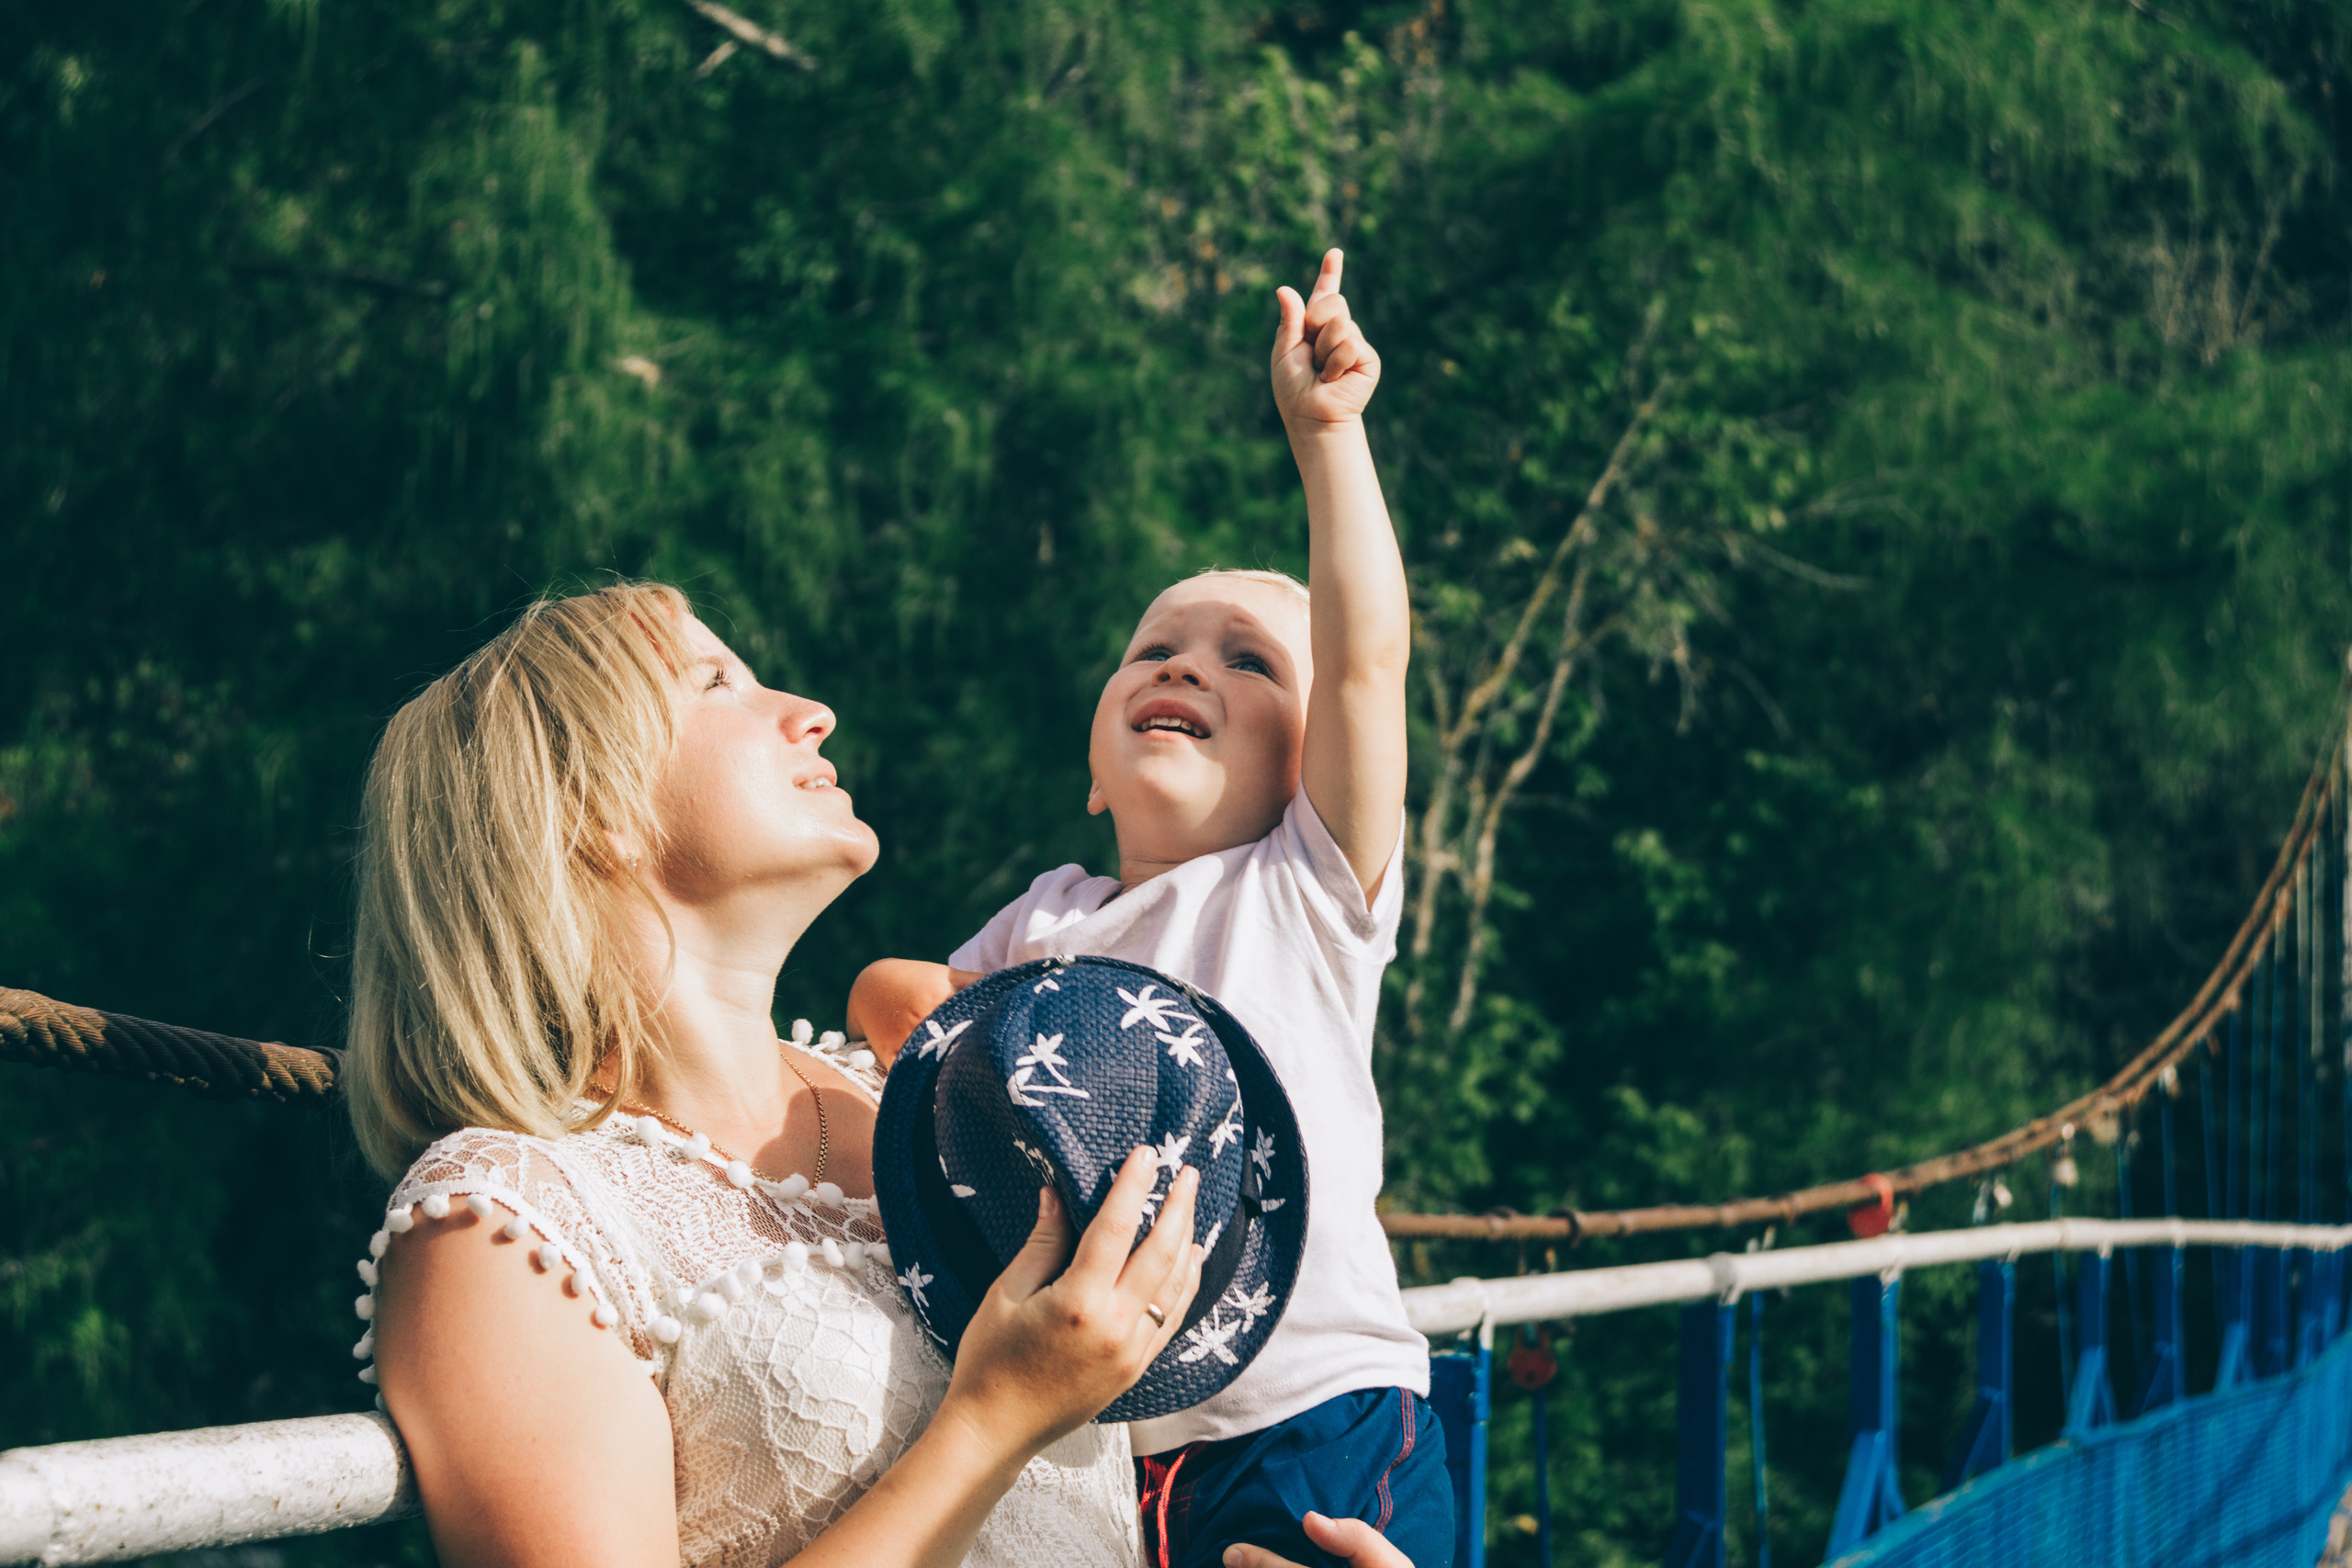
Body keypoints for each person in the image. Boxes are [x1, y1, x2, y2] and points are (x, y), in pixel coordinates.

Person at [342, 582, 1212, 1568]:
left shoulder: (932, 1100)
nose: (811, 712)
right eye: (716, 682)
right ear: (591, 810)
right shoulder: (501, 1230)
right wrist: (995, 1422)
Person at [847, 251, 1447, 1568]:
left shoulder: (1303, 887)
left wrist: (1329, 437)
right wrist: (900, 1014)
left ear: (1316, 763)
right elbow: (914, 1014)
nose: (1186, 660)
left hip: (1316, 1414)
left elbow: (1367, 662)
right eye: (1155, 647)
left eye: (1249, 659)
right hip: (1113, 1442)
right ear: (1090, 768)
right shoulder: (1047, 920)